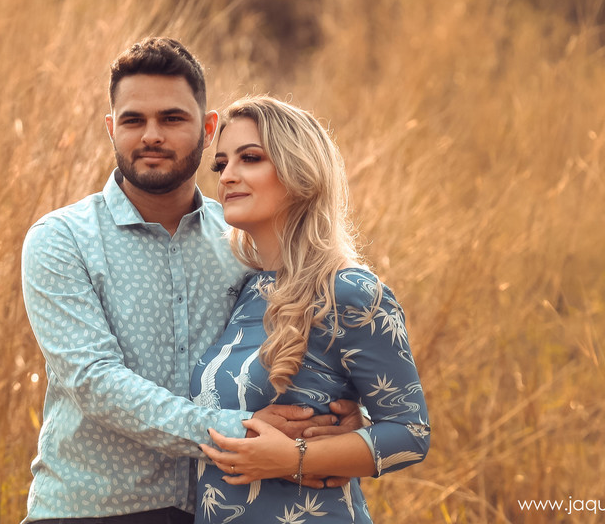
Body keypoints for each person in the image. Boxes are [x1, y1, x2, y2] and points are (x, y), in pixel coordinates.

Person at [21, 39, 360, 524]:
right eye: (134, 120)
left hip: (219, 508)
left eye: (172, 119)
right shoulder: (62, 239)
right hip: (90, 509)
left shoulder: (244, 241)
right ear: (111, 129)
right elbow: (94, 381)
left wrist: (340, 422)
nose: (152, 135)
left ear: (207, 129)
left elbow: (293, 349)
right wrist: (232, 431)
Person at [194, 96, 430, 523]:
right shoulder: (245, 290)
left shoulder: (351, 290)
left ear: (299, 171)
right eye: (220, 164)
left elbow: (410, 433)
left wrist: (297, 457)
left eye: (250, 158)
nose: (227, 176)